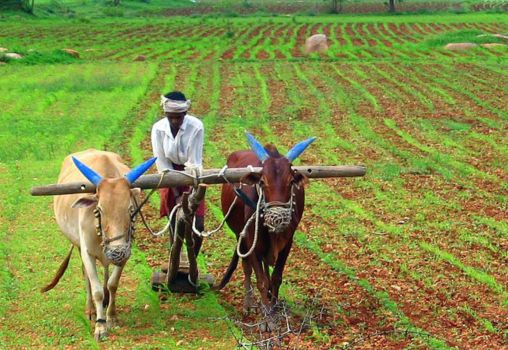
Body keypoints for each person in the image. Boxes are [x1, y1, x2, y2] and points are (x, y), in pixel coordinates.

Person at [151, 91, 205, 256]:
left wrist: (190, 196)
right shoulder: (158, 129)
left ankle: (192, 260)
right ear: (166, 114)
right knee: (175, 220)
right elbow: (162, 162)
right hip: (169, 175)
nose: (175, 121)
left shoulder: (196, 126)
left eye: (179, 117)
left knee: (198, 224)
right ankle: (175, 258)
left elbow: (194, 162)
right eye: (171, 117)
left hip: (191, 175)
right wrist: (176, 195)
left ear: (185, 113)